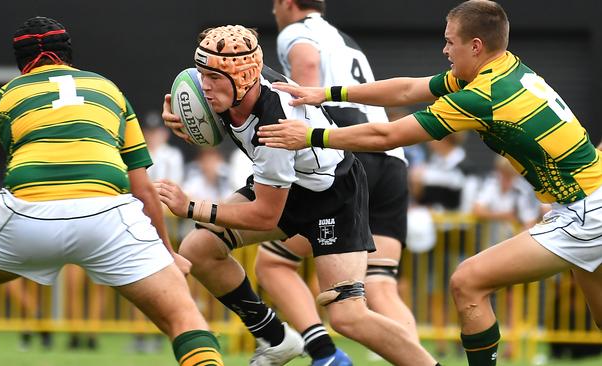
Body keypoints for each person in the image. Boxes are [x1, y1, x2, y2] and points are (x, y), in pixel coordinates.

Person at [257, 1, 602, 365]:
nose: (444, 49)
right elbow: (407, 90)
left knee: (468, 281)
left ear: (476, 46)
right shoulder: (501, 69)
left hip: (585, 212)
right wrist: (326, 93)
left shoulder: (482, 95)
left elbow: (387, 135)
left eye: (450, 41)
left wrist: (312, 135)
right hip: (586, 203)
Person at [159, 25, 439, 366]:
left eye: (214, 77)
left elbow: (265, 216)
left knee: (348, 316)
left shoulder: (272, 122)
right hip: (288, 184)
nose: (204, 86)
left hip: (333, 197)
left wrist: (191, 207)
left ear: (244, 76)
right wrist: (189, 125)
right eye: (202, 74)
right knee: (198, 250)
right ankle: (276, 339)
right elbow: (216, 122)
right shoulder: (233, 89)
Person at [0, 16, 224, 366]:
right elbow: (142, 190)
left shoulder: (4, 96)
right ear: (68, 53)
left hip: (26, 214)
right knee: (184, 317)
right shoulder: (108, 89)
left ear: (19, 61)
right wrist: (167, 252)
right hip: (108, 216)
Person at [254, 1, 420, 365]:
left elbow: (307, 65)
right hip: (390, 163)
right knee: (380, 283)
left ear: (286, 3)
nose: (272, 11)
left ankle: (322, 353)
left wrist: (305, 120)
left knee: (274, 264)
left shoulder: (296, 32)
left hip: (347, 152)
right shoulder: (341, 37)